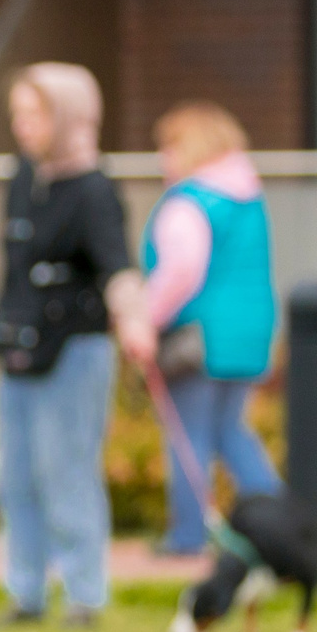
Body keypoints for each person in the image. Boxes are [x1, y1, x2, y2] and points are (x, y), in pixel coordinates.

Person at [0, 63, 142, 627]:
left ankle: (84, 594)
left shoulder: (95, 189)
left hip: (74, 350)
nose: (23, 126)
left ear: (68, 116)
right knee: (16, 475)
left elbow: (116, 267)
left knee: (67, 469)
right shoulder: (21, 180)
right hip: (16, 347)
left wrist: (135, 322)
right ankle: (25, 593)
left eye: (35, 113)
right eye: (18, 114)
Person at [118, 101, 281, 556]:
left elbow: (181, 270)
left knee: (188, 433)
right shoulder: (247, 195)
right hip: (250, 333)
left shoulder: (191, 202)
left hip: (198, 337)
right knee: (231, 429)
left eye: (168, 146)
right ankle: (277, 520)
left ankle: (188, 536)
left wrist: (144, 319)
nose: (161, 158)